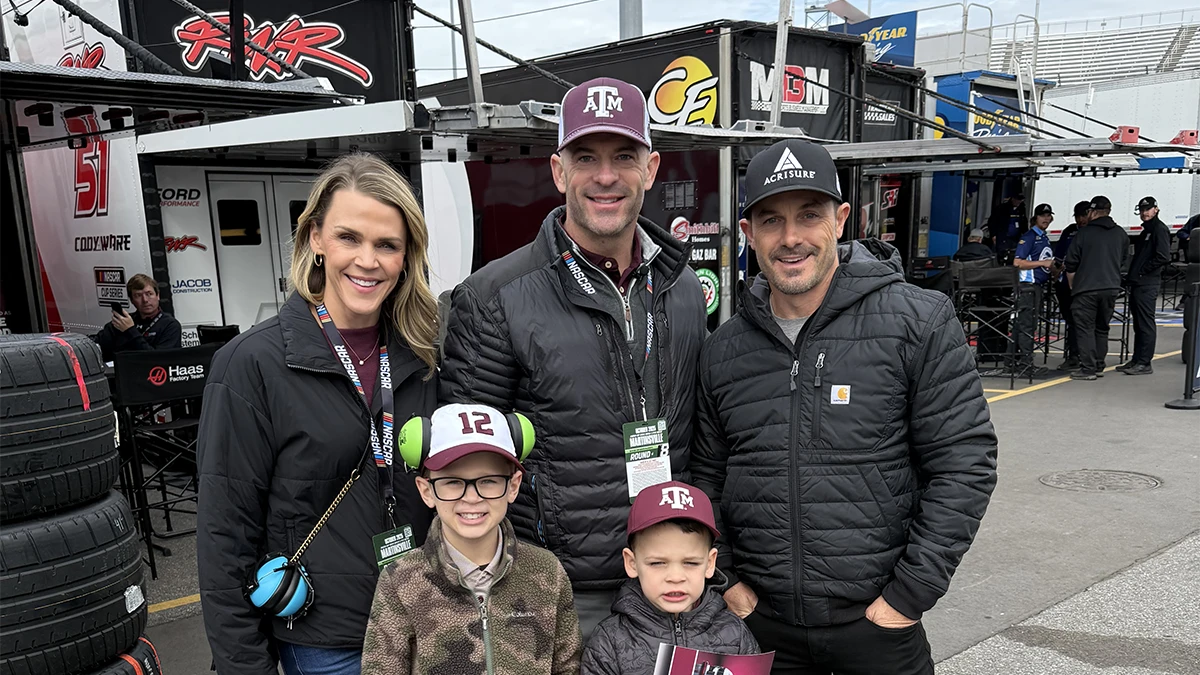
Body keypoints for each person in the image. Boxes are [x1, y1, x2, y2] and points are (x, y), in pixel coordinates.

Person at [691, 139, 998, 675]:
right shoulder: (724, 349)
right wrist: (729, 583)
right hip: (759, 626)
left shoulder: (918, 321)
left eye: (809, 215)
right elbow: (707, 477)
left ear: (841, 219)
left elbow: (963, 465)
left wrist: (909, 595)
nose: (791, 238)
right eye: (771, 220)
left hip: (879, 625)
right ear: (748, 234)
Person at [439, 77, 706, 639]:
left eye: (623, 156)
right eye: (586, 157)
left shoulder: (681, 289)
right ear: (559, 171)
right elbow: (467, 468)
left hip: (668, 580)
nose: (605, 176)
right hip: (557, 595)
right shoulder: (494, 297)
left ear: (651, 169)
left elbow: (700, 433)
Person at [197, 154, 440, 675]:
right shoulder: (251, 363)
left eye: (387, 245)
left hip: (427, 627)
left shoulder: (422, 356)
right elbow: (224, 536)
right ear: (315, 239)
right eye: (349, 238)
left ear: (406, 257)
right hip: (328, 644)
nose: (368, 261)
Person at [361, 403, 581, 674]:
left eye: (488, 480)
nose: (472, 497)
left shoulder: (548, 573)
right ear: (426, 490)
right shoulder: (400, 581)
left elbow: (568, 667)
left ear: (512, 486)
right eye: (453, 481)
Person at [580, 481, 759, 674]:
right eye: (657, 563)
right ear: (632, 563)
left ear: (710, 563)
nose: (675, 577)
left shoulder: (735, 633)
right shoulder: (610, 641)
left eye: (691, 563)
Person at [1065, 195, 1131, 381]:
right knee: (1102, 328)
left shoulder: (1084, 233)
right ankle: (1099, 365)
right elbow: (1124, 261)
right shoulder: (1120, 234)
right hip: (1111, 288)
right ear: (1109, 211)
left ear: (1092, 212)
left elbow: (1071, 262)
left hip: (1086, 288)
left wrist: (1072, 283)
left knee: (1085, 328)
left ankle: (1088, 368)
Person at [1118, 196, 1171, 376]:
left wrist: (1142, 271)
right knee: (1139, 324)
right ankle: (1137, 358)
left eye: (1147, 209)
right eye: (1141, 210)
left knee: (1145, 323)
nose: (1144, 213)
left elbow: (1163, 256)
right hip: (1138, 282)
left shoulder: (1159, 229)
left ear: (1155, 209)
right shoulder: (1146, 230)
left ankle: (1144, 362)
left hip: (1147, 283)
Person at [1011, 204, 1056, 377]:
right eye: (1042, 216)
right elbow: (1018, 262)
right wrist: (1043, 264)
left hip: (1037, 286)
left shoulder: (1044, 237)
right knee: (1026, 325)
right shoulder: (1029, 237)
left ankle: (1012, 361)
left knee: (1023, 324)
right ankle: (1024, 363)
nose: (1046, 219)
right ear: (1035, 218)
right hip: (1027, 286)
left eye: (1048, 216)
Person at [93, 273, 182, 360]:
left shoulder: (170, 325)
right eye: (138, 295)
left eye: (149, 294)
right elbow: (97, 347)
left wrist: (130, 330)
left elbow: (156, 359)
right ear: (132, 300)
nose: (145, 300)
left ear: (158, 295)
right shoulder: (123, 322)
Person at [1052, 202, 1090, 371]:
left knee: (1086, 322)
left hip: (1086, 283)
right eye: (1078, 216)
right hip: (1066, 282)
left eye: (1084, 215)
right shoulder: (1069, 231)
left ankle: (1087, 357)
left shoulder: (1094, 232)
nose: (1081, 219)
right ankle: (1073, 356)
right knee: (1071, 320)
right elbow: (1058, 257)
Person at [987, 192, 1027, 263]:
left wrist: (1026, 236)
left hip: (1016, 238)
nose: (1018, 202)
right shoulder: (1001, 208)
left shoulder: (1022, 210)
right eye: (1017, 199)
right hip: (1003, 238)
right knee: (1001, 255)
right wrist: (993, 234)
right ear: (1012, 199)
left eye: (1020, 200)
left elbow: (1024, 224)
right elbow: (992, 222)